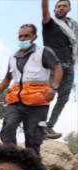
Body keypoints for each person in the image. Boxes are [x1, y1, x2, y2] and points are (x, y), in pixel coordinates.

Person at [0, 23, 62, 156]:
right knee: (8, 128)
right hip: (15, 101)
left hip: (38, 102)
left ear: (34, 37)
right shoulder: (12, 57)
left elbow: (58, 68)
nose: (22, 39)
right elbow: (8, 77)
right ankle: (13, 159)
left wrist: (54, 88)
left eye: (26, 36)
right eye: (20, 36)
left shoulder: (43, 52)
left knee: (33, 137)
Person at [42, 0, 77, 139]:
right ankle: (39, 125)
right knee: (47, 95)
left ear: (69, 8)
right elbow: (44, 11)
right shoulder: (49, 22)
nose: (61, 8)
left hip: (69, 64)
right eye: (59, 6)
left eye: (64, 6)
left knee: (64, 98)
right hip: (54, 64)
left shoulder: (73, 25)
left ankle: (49, 127)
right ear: (54, 9)